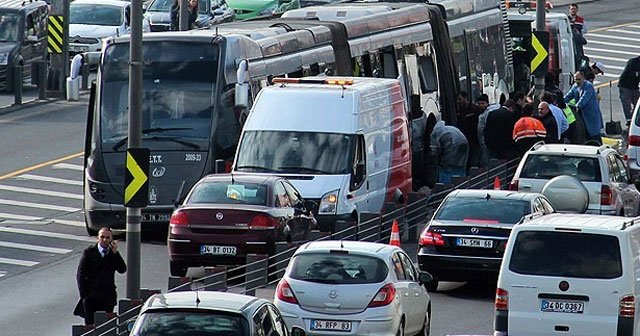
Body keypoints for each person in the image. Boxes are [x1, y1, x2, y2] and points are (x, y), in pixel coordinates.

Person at [74, 227, 127, 325]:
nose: (105, 240)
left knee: (105, 327)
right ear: (98, 238)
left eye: (107, 237)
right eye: (102, 237)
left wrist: (115, 253)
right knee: (90, 326)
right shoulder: (89, 252)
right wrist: (84, 296)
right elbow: (80, 275)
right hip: (91, 297)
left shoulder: (112, 253)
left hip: (107, 297)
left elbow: (122, 269)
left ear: (111, 239)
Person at [564, 71, 603, 145]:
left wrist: (577, 106)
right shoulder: (575, 86)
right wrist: (560, 102)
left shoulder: (588, 86)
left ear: (583, 78)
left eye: (579, 79)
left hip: (591, 115)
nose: (577, 81)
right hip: (581, 115)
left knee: (594, 134)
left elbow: (584, 98)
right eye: (576, 80)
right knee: (584, 135)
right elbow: (568, 96)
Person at [428, 120, 469, 184]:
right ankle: (461, 180)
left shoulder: (434, 135)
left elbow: (435, 151)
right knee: (461, 164)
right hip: (463, 141)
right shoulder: (448, 129)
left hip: (452, 144)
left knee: (449, 166)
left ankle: (448, 182)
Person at [455, 91, 481, 169]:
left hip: (474, 140)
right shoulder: (459, 111)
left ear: (466, 98)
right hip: (465, 139)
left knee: (474, 161)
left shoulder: (475, 109)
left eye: (460, 99)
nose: (458, 102)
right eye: (457, 100)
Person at [618, 56, 640, 124]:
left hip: (635, 86)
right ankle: (629, 120)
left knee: (637, 104)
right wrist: (638, 74)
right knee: (627, 105)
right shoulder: (633, 62)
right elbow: (630, 73)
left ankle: (635, 118)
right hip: (625, 86)